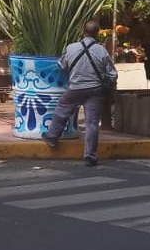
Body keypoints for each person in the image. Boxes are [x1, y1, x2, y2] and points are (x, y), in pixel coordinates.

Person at [42, 20, 117, 167]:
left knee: (62, 110)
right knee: (92, 123)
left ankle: (52, 136)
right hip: (95, 91)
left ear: (83, 32)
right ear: (97, 33)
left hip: (75, 88)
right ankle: (90, 156)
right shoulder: (102, 51)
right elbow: (113, 74)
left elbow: (61, 65)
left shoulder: (71, 48)